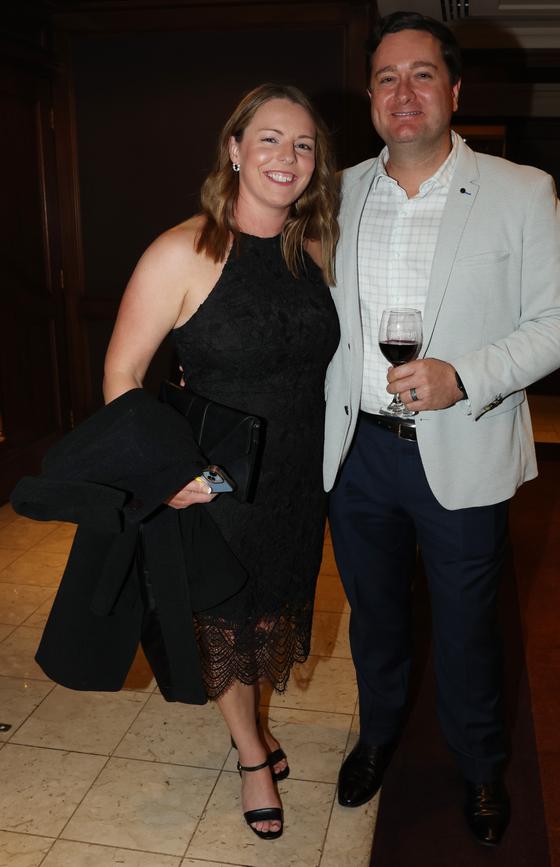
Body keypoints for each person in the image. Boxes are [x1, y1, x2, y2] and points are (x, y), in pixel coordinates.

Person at [323, 11, 560, 846]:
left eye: (422, 74)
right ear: (369, 97)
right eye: (387, 78)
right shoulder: (333, 192)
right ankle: (377, 736)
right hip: (356, 449)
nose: (404, 92)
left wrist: (465, 375)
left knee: (470, 626)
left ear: (454, 90)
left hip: (464, 448)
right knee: (374, 617)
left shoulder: (520, 190)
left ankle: (480, 765)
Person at [103, 83, 340, 840]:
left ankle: (257, 732)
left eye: (303, 145)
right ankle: (250, 755)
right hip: (220, 480)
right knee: (229, 622)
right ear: (234, 149)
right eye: (269, 139)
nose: (287, 157)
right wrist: (165, 472)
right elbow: (121, 377)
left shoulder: (316, 251)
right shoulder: (184, 250)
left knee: (271, 611)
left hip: (299, 480)